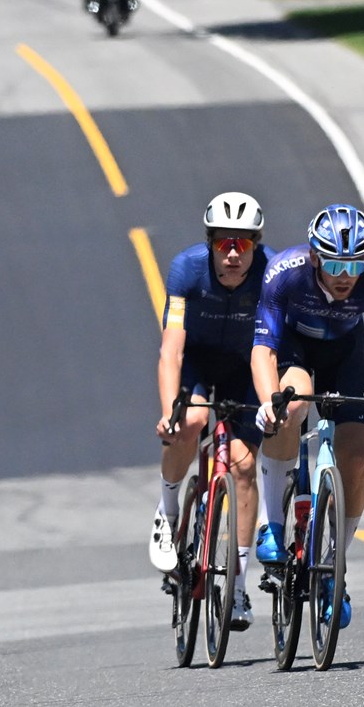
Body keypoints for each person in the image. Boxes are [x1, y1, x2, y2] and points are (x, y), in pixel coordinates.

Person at [252, 204, 364, 629]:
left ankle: (336, 562)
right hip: (296, 349)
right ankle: (272, 524)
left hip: (345, 355)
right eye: (335, 263)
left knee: (356, 457)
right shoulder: (285, 273)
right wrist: (269, 401)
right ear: (315, 256)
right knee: (291, 406)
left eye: (355, 264)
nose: (345, 275)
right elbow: (263, 349)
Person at [152, 192, 272, 631]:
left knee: (243, 467)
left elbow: (273, 346)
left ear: (256, 244)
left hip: (246, 367)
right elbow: (171, 350)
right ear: (210, 245)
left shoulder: (271, 273)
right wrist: (170, 411)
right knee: (192, 420)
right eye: (224, 243)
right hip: (198, 364)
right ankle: (167, 513)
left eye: (243, 243)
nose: (234, 254)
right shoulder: (186, 270)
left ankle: (237, 588)